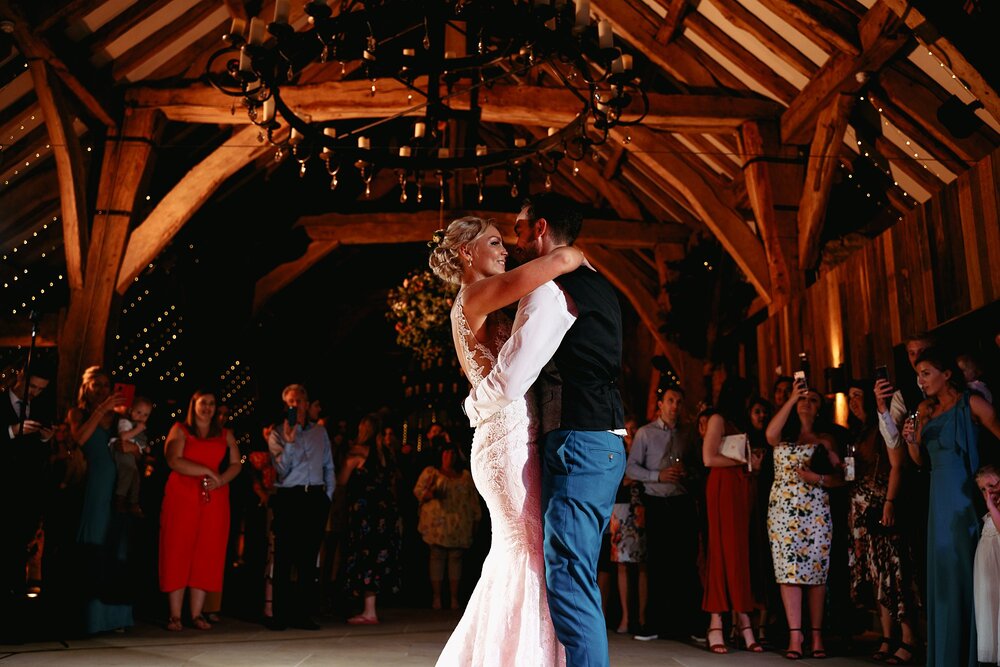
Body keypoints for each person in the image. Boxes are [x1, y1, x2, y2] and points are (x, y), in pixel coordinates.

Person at [462, 192, 628, 667]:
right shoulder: (596, 281)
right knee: (573, 572)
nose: (513, 241)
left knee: (570, 577)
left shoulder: (554, 289)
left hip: (579, 439)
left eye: (517, 228)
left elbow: (514, 377)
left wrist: (474, 405)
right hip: (601, 442)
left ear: (540, 229)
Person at [429, 208, 586, 665]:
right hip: (506, 440)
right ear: (466, 252)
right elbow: (557, 263)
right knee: (526, 552)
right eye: (495, 242)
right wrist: (575, 250)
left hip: (511, 435)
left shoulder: (478, 298)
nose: (506, 250)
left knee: (520, 552)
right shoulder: (475, 294)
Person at [906, 348, 1000, 667]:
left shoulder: (970, 403)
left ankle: (969, 656)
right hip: (936, 499)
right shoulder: (925, 410)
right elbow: (920, 461)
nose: (920, 381)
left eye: (926, 373)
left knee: (963, 572)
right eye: (918, 374)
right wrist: (910, 442)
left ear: (947, 374)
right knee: (942, 575)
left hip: (962, 499)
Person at [845, 379, 919, 665]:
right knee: (876, 576)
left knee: (895, 572)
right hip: (860, 508)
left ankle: (909, 637)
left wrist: (889, 502)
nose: (852, 402)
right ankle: (887, 637)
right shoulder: (857, 431)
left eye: (857, 396)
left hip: (883, 503)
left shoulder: (881, 427)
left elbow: (896, 465)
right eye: (849, 397)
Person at [766, 378, 840, 660]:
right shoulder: (783, 436)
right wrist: (790, 399)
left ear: (820, 408)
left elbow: (841, 478)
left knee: (816, 574)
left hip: (816, 512)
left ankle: (817, 636)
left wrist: (816, 478)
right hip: (782, 511)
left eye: (812, 400)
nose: (806, 404)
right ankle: (795, 636)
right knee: (788, 573)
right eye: (803, 399)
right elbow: (769, 435)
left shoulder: (825, 440)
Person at [159, 389, 241, 631]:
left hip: (215, 497)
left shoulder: (225, 434)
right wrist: (207, 472)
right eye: (203, 403)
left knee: (207, 552)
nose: (208, 408)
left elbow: (236, 463)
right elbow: (173, 459)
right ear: (193, 405)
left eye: (212, 403)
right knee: (177, 549)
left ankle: (196, 614)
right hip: (183, 495)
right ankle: (175, 615)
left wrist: (221, 480)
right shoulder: (180, 429)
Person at [625, 386, 701, 642]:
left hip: (682, 502)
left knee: (685, 564)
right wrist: (658, 475)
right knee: (658, 563)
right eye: (670, 401)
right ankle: (654, 623)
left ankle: (688, 624)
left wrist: (688, 473)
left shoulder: (689, 433)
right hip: (656, 502)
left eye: (679, 401)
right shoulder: (646, 434)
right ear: (660, 404)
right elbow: (631, 467)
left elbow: (698, 465)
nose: (675, 406)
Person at [68, 367, 133, 635]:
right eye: (97, 385)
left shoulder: (120, 417)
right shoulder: (78, 414)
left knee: (118, 548)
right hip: (95, 486)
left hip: (119, 487)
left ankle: (117, 618)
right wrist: (101, 409)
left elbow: (136, 446)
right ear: (86, 387)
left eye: (107, 385)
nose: (103, 390)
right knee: (95, 545)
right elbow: (80, 439)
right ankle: (93, 619)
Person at [267, 384, 335, 631]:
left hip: (314, 497)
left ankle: (304, 614)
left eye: (298, 400)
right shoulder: (276, 433)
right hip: (290, 497)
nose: (294, 405)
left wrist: (328, 495)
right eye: (290, 402)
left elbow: (328, 464)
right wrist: (290, 441)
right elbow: (282, 470)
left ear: (306, 403)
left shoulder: (320, 433)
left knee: (308, 559)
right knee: (284, 558)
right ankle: (280, 615)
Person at [0, 358, 54, 642]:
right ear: (21, 376)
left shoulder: (41, 409)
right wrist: (12, 432)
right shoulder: (1, 402)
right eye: (32, 386)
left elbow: (39, 458)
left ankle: (12, 623)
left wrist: (45, 439)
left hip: (25, 495)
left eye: (40, 390)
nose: (34, 393)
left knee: (17, 557)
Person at [701, 407, 761, 654]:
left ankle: (742, 620)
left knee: (740, 555)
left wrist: (752, 464)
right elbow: (709, 458)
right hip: (723, 487)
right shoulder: (718, 418)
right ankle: (717, 623)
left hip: (740, 487)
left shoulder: (740, 420)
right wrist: (744, 460)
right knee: (722, 552)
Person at [340, 413, 402, 624]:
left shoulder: (358, 453)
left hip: (365, 514)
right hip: (385, 513)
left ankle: (369, 611)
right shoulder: (386, 453)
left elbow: (342, 480)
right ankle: (370, 607)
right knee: (378, 557)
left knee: (365, 556)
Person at [413, 440, 480, 610]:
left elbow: (472, 500)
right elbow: (419, 492)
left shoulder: (464, 476)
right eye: (445, 453)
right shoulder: (432, 473)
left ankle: (454, 598)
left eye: (452, 453)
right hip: (437, 524)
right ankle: (436, 597)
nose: (449, 456)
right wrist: (429, 492)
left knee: (456, 559)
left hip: (459, 524)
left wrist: (476, 519)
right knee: (437, 556)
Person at [609, 416, 646, 635]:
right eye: (628, 429)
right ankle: (624, 617)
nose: (631, 433)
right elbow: (616, 480)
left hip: (640, 508)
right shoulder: (616, 450)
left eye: (635, 428)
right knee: (621, 565)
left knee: (642, 565)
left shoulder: (643, 452)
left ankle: (641, 618)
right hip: (621, 509)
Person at [974, 464, 1000, 665]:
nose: (988, 493)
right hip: (987, 573)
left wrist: (992, 507)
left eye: (991, 485)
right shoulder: (991, 512)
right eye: (983, 490)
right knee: (988, 610)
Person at [111, 397, 153, 517]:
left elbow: (139, 440)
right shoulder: (125, 421)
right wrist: (138, 429)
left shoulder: (139, 427)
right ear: (130, 411)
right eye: (138, 412)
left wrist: (145, 447)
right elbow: (124, 436)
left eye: (145, 415)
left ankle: (133, 503)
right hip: (121, 450)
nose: (141, 417)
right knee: (127, 471)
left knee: (136, 478)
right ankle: (120, 499)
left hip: (131, 454)